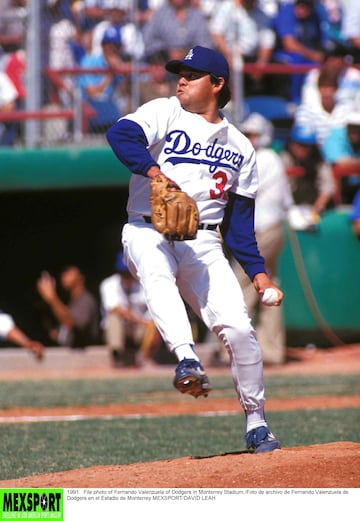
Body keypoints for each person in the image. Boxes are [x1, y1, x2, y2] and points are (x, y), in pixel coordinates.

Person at [106, 45, 282, 453]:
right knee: (155, 269)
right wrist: (154, 173)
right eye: (179, 72)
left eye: (193, 73)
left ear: (217, 84)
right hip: (146, 228)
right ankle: (186, 358)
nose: (181, 79)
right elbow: (121, 134)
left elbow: (239, 223)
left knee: (240, 329)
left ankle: (256, 422)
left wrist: (257, 273)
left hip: (203, 239)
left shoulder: (241, 147)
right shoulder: (166, 111)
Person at [231, 112, 293, 365]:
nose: (249, 138)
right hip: (271, 228)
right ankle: (272, 351)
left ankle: (237, 350)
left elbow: (241, 192)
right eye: (246, 134)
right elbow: (288, 200)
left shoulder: (263, 158)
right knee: (269, 287)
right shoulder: (273, 159)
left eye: (253, 134)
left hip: (262, 231)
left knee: (241, 286)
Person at [99, 251, 162, 367]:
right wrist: (142, 322)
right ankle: (117, 356)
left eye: (128, 273)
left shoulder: (145, 284)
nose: (126, 276)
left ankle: (145, 357)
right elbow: (116, 309)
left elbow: (154, 310)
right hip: (122, 328)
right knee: (113, 318)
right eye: (123, 273)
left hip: (140, 330)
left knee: (155, 323)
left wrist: (150, 326)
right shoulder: (109, 284)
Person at [209, 0, 276, 95]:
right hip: (228, 55)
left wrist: (262, 62)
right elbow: (216, 33)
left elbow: (267, 41)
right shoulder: (227, 7)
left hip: (252, 59)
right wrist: (228, 55)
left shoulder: (262, 14)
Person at [271, 0, 327, 103]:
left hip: (308, 57)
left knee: (322, 65)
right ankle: (294, 101)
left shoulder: (316, 14)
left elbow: (320, 43)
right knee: (297, 60)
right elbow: (289, 45)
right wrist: (313, 54)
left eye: (306, 6)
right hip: (285, 55)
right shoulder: (287, 10)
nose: (302, 9)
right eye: (300, 5)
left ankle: (314, 102)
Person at [36, 265, 100, 349]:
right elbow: (66, 332)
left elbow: (72, 323)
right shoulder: (71, 301)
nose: (64, 275)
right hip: (69, 355)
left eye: (69, 272)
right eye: (64, 273)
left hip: (86, 357)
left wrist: (52, 298)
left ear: (81, 277)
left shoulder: (86, 300)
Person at [281, 123, 335, 217]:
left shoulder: (319, 160)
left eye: (306, 145)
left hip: (313, 208)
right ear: (291, 143)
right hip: (288, 209)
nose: (302, 149)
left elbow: (327, 187)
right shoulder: (284, 159)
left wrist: (316, 209)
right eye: (299, 144)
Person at [321, 110, 360, 204]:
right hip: (338, 189)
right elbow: (339, 162)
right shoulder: (335, 135)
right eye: (351, 127)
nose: (354, 131)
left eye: (357, 128)